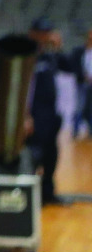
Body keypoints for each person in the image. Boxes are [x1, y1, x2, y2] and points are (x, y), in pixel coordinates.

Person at [25, 18, 77, 204]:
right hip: (34, 116)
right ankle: (29, 195)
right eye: (42, 33)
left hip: (52, 115)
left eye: (48, 32)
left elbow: (70, 68)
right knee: (33, 156)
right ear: (33, 34)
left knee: (51, 156)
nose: (45, 36)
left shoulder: (51, 56)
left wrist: (59, 47)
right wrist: (25, 116)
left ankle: (48, 193)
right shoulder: (27, 54)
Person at [74, 28, 92, 139]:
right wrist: (83, 77)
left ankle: (90, 131)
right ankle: (75, 130)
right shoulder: (80, 51)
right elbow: (75, 66)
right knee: (79, 108)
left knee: (90, 109)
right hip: (83, 84)